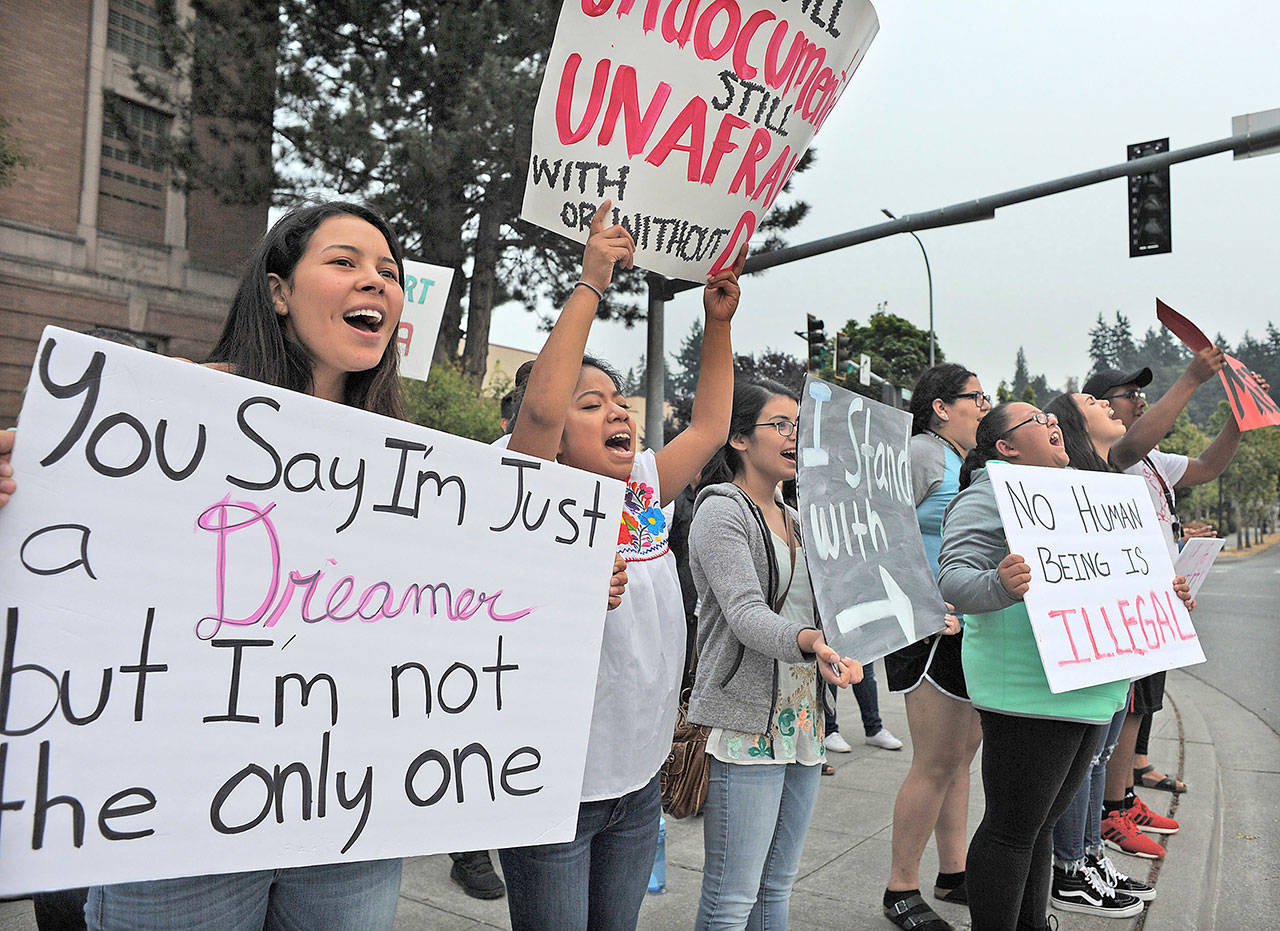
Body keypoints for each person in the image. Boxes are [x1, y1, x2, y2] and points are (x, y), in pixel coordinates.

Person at [69, 202, 410, 928]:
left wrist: (568, 586)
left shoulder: (415, 468)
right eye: (345, 262)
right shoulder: (173, 411)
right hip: (180, 817)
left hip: (346, 817)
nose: (374, 282)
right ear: (279, 291)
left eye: (389, 272)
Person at [498, 200, 747, 931]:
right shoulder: (519, 486)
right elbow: (537, 421)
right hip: (552, 786)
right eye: (590, 402)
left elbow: (709, 427)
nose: (618, 413)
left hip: (635, 780)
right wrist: (592, 283)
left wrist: (720, 323)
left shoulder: (643, 483)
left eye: (618, 400)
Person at [937, 401, 1193, 931]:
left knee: (1042, 824)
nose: (1053, 422)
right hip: (1028, 687)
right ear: (1005, 446)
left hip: (1090, 684)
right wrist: (999, 585)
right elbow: (954, 577)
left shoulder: (1088, 494)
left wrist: (1164, 594)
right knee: (1012, 828)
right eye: (1037, 420)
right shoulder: (987, 494)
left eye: (1052, 418)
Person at [688, 381, 863, 930]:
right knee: (732, 898)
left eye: (798, 426)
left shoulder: (798, 517)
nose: (794, 436)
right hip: (745, 722)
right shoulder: (721, 513)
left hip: (801, 718)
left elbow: (835, 602)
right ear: (739, 437)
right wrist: (811, 641)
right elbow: (744, 614)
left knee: (776, 890)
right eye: (780, 424)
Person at [1080, 349, 1263, 857]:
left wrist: (1238, 421)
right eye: (1130, 395)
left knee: (1139, 711)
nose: (1140, 402)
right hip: (1130, 606)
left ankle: (1122, 799)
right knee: (1124, 708)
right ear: (1095, 406)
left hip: (1160, 603)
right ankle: (1110, 812)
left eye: (1142, 394)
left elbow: (1207, 466)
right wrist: (1191, 378)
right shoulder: (1111, 455)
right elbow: (1131, 446)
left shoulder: (1156, 463)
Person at [1040, 391, 1163, 917]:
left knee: (1096, 759)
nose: (1108, 404)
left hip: (1115, 645)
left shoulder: (1110, 480)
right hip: (1087, 646)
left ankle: (1088, 856)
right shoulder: (1073, 485)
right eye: (1091, 400)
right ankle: (1070, 869)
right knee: (1083, 761)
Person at [882, 364, 988, 931]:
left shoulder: (960, 461)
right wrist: (922, 607)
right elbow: (882, 532)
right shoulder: (923, 452)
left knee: (959, 758)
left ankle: (954, 872)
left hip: (962, 626)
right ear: (941, 407)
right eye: (976, 397)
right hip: (926, 630)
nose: (984, 405)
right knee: (934, 761)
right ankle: (901, 886)